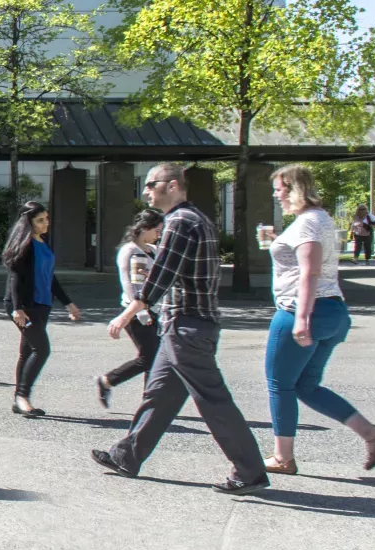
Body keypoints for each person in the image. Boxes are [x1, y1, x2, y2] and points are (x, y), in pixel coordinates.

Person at [95, 163, 270, 495]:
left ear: (172, 185)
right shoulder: (195, 219)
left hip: (188, 327)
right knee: (159, 395)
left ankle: (250, 471)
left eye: (151, 184)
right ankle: (126, 456)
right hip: (183, 326)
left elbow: (162, 274)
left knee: (213, 401)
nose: (146, 190)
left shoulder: (180, 222)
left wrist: (127, 314)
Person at [260, 164, 375, 474]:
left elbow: (310, 271)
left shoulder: (307, 223)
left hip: (303, 310)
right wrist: (279, 240)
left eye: (280, 189)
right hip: (333, 311)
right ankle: (373, 434)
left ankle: (283, 458)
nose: (276, 195)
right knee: (307, 386)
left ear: (294, 189)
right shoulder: (317, 219)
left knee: (279, 385)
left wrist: (301, 318)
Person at [1, 201, 83, 417]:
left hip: (42, 304)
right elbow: (15, 277)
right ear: (29, 222)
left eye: (46, 218)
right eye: (40, 220)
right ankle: (22, 396)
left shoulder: (43, 243)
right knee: (42, 349)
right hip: (24, 306)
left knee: (27, 351)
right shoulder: (25, 244)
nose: (46, 223)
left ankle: (18, 399)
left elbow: (50, 278)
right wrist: (17, 308)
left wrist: (68, 302)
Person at [96, 209, 164, 409]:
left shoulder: (154, 249)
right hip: (135, 311)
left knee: (155, 356)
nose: (159, 234)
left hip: (155, 309)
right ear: (144, 228)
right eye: (157, 230)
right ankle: (108, 380)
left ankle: (151, 399)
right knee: (149, 356)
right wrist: (139, 311)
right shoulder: (129, 250)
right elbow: (129, 283)